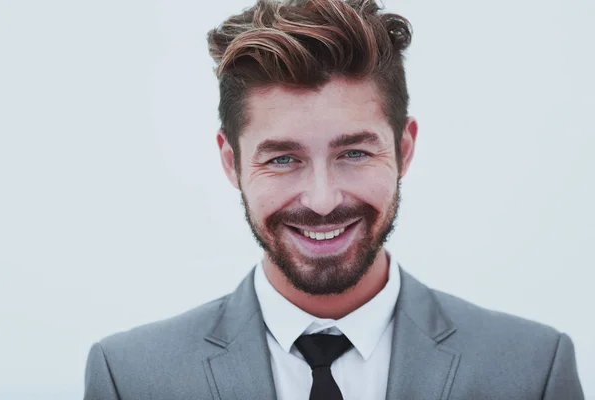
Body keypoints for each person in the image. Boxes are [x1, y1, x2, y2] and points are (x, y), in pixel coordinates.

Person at [84, 0, 584, 398]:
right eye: (282, 159)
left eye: (354, 153)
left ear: (403, 149)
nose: (322, 201)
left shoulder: (532, 369)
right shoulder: (130, 377)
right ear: (231, 161)